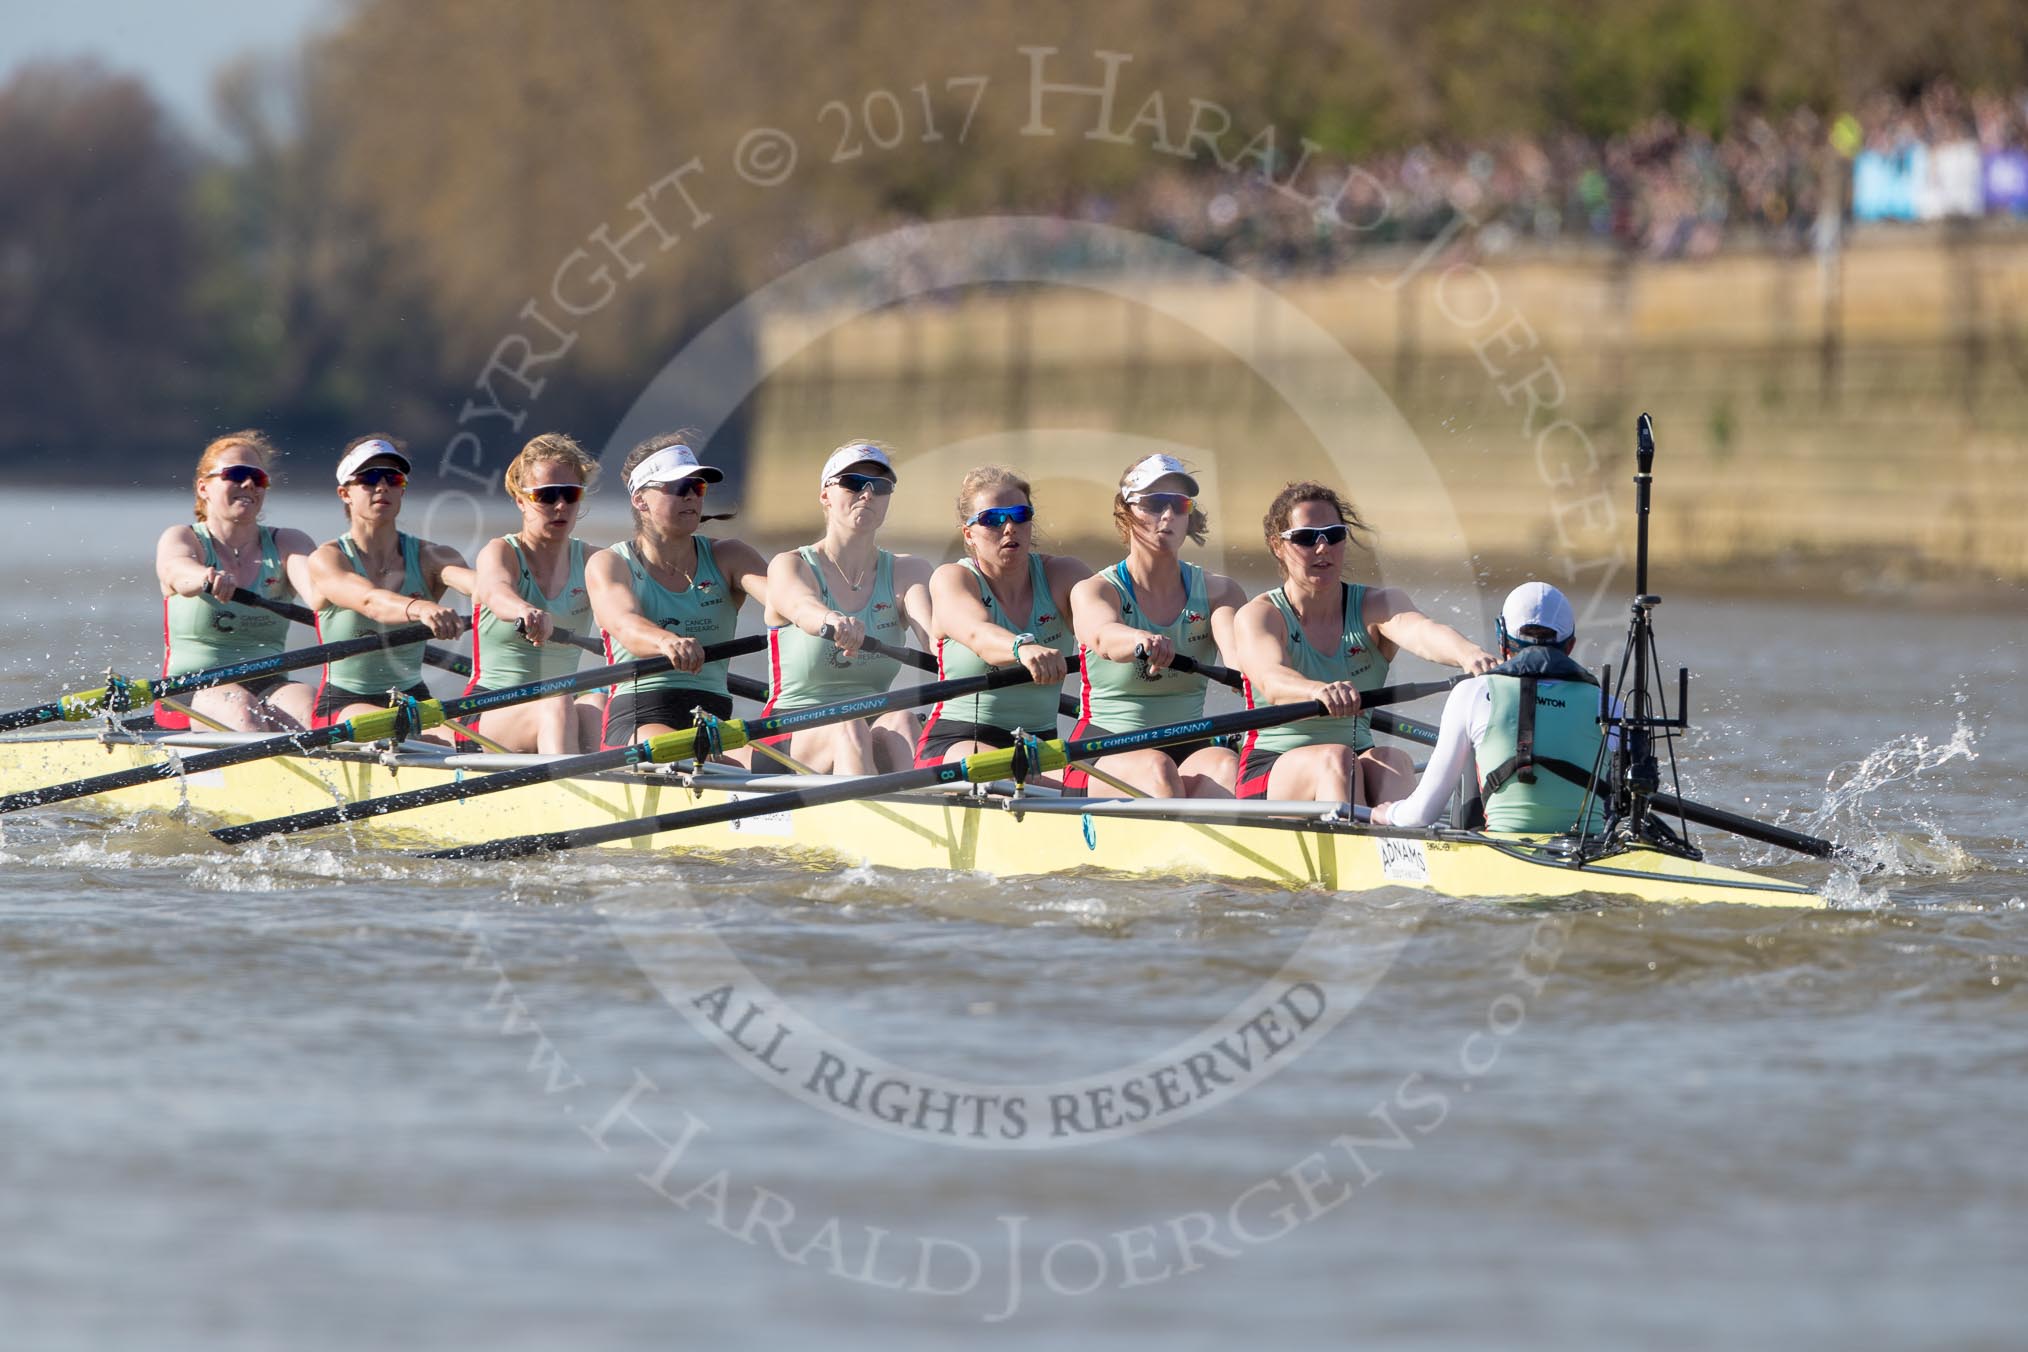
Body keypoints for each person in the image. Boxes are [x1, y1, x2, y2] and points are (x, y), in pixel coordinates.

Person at [1234, 482, 1498, 805]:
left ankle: (1405, 852)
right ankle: (1363, 849)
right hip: (1272, 766)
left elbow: (1423, 632)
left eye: (1333, 535)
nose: (1322, 548)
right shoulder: (1260, 616)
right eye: (1305, 538)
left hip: (1352, 761)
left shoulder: (1377, 606)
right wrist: (1318, 691)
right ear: (1278, 545)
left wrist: (1469, 655)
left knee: (1394, 761)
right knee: (1337, 760)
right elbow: (1272, 680)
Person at [1067, 454, 1247, 798]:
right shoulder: (1096, 590)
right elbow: (1104, 636)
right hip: (1102, 750)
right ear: (1126, 511)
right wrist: (1139, 639)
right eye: (1154, 504)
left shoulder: (1219, 593)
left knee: (1228, 766)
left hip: (1190, 745)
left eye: (1179, 504)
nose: (1168, 515)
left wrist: (1255, 676)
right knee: (1158, 770)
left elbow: (1240, 659)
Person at [1373, 581, 1610, 834]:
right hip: (1588, 854)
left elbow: (1420, 814)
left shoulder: (1472, 693)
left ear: (1501, 638)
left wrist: (1387, 812)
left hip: (1502, 853)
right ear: (1570, 645)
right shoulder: (1609, 704)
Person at [761, 441, 932, 774]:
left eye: (880, 487)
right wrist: (832, 620)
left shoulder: (908, 571)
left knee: (905, 721)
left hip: (869, 720)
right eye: (853, 483)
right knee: (849, 728)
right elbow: (802, 606)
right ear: (825, 495)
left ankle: (923, 815)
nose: (867, 493)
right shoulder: (791, 565)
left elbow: (935, 635)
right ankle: (862, 820)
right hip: (787, 733)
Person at [588, 432, 768, 746]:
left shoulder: (730, 557)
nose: (692, 497)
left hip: (712, 721)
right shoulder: (611, 563)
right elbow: (625, 624)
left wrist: (821, 615)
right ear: (640, 500)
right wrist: (666, 641)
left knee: (772, 765)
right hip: (639, 719)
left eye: (697, 487)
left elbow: (783, 599)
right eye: (679, 488)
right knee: (705, 757)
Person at [916, 466, 1089, 775]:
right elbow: (978, 634)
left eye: (1020, 515)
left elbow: (1103, 625)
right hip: (958, 741)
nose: (1009, 527)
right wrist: (1023, 648)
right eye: (993, 519)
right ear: (968, 533)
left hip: (1040, 745)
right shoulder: (952, 579)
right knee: (1044, 788)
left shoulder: (1063, 576)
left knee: (1110, 787)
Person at [153, 430, 319, 731]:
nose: (248, 484)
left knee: (312, 710)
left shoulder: (288, 543)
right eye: (236, 474)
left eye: (258, 478)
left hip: (269, 682)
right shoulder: (183, 537)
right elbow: (176, 570)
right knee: (244, 713)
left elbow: (319, 593)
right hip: (190, 688)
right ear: (203, 487)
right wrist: (204, 576)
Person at [307, 436, 473, 736]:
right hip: (344, 703)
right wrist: (421, 608)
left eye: (393, 479)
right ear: (344, 493)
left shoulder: (433, 557)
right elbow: (370, 602)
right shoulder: (328, 558)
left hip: (413, 697)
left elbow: (478, 585)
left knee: (468, 743)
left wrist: (513, 599)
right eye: (369, 479)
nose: (382, 486)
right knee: (413, 735)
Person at [465, 433, 606, 754]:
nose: (560, 506)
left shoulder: (594, 561)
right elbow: (496, 591)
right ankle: (562, 796)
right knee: (555, 705)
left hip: (558, 708)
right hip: (488, 709)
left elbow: (625, 610)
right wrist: (523, 611)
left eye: (570, 495)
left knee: (599, 703)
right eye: (546, 496)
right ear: (520, 500)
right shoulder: (500, 552)